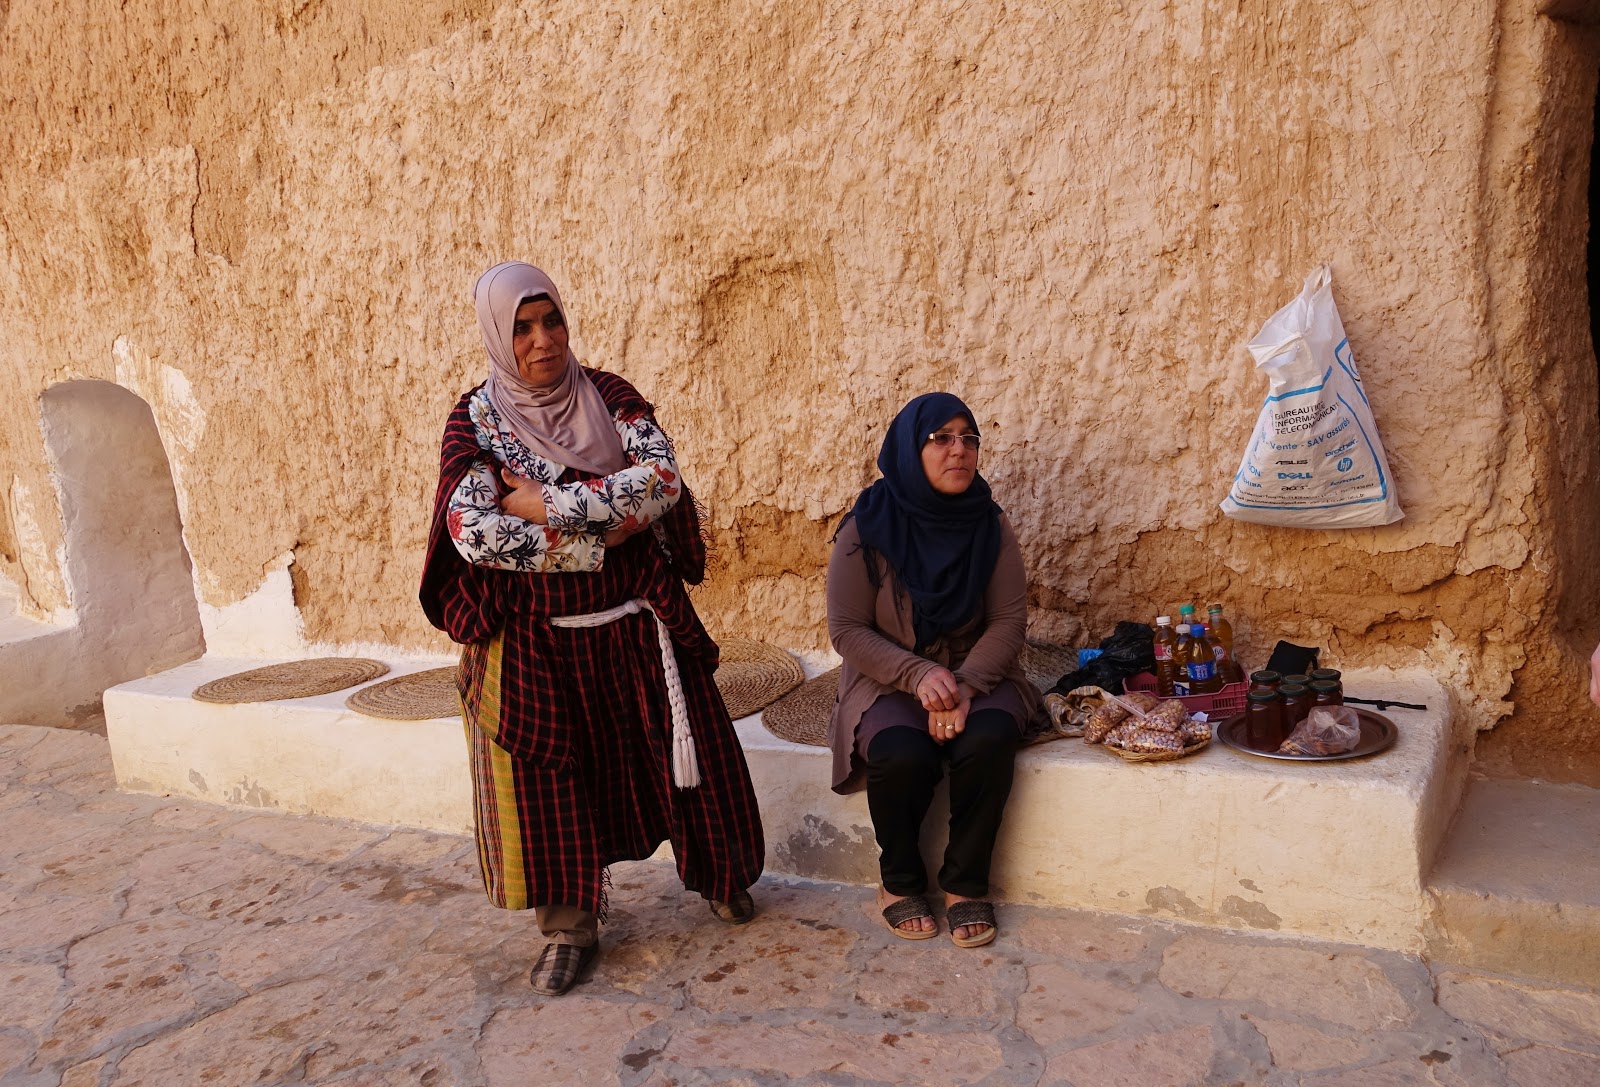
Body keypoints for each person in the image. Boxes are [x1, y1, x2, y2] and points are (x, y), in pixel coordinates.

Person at [420, 261, 765, 996]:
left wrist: (542, 506)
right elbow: (471, 530)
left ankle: (724, 878)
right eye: (521, 326)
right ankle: (570, 928)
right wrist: (596, 537)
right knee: (552, 787)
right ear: (495, 332)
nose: (542, 339)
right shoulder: (476, 421)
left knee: (690, 752)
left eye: (552, 320)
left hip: (638, 620)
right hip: (538, 640)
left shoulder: (610, 397)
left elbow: (662, 482)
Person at [825, 392, 1038, 948]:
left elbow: (1009, 621)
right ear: (908, 449)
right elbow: (847, 631)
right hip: (889, 675)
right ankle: (898, 883)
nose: (959, 451)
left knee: (988, 736)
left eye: (968, 438)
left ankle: (966, 884)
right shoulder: (866, 527)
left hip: (979, 673)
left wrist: (962, 686)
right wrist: (918, 676)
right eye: (940, 438)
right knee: (902, 750)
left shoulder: (988, 525)